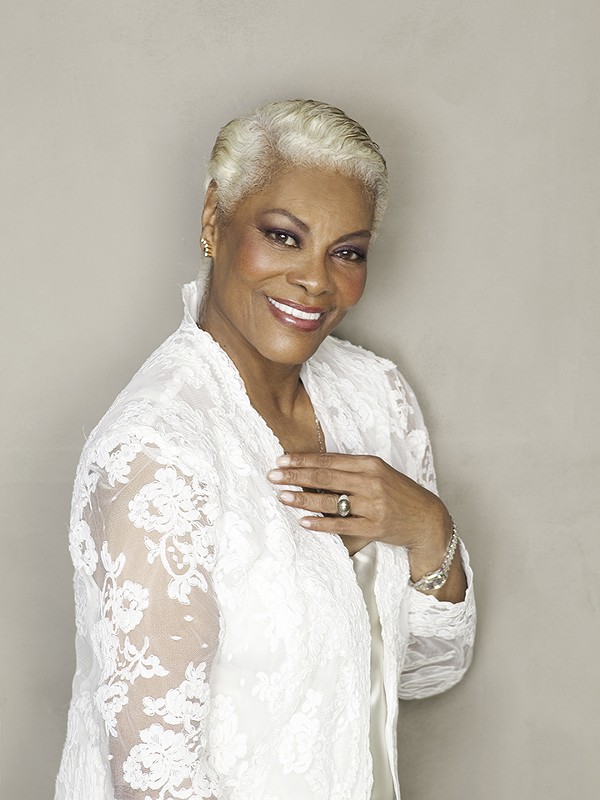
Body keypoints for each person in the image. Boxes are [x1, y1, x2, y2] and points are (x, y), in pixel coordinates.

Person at [55, 99, 475, 800]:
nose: (317, 280)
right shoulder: (157, 454)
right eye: (284, 237)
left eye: (347, 251)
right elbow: (155, 784)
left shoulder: (378, 399)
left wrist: (428, 527)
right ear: (213, 220)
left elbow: (424, 671)